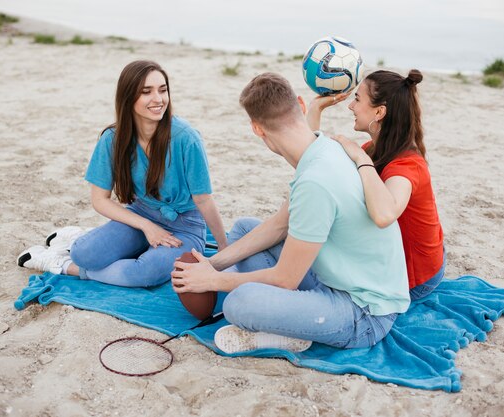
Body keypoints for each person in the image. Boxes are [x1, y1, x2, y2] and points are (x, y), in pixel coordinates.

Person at [171, 73, 409, 354]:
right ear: (301, 104)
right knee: (246, 228)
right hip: (333, 278)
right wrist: (214, 265)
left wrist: (214, 281)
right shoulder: (323, 148)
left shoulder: (315, 181)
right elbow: (278, 226)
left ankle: (294, 330)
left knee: (238, 304)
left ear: (257, 129)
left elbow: (286, 279)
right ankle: (294, 315)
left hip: (364, 313)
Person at [17, 60, 227, 287]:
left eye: (163, 90)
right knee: (84, 253)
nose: (158, 99)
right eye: (146, 92)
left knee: (142, 274)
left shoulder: (187, 138)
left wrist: (225, 250)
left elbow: (204, 199)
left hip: (183, 227)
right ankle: (76, 240)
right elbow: (99, 199)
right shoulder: (112, 139)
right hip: (140, 216)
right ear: (128, 97)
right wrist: (147, 226)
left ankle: (65, 266)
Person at [306, 69, 445, 301]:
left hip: (416, 278)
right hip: (395, 257)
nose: (350, 106)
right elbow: (315, 165)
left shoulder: (407, 165)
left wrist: (360, 159)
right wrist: (315, 109)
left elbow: (384, 215)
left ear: (379, 112)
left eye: (357, 99)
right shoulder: (375, 148)